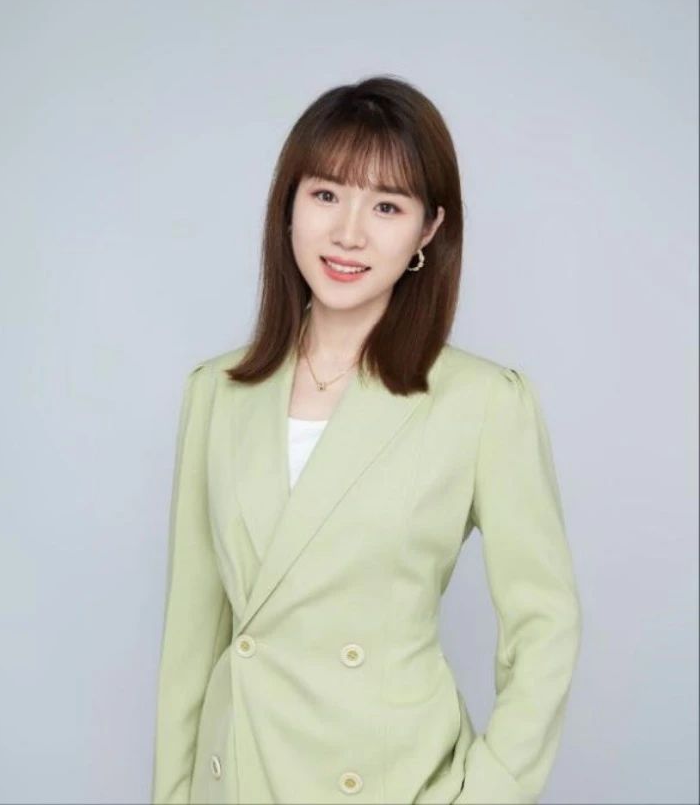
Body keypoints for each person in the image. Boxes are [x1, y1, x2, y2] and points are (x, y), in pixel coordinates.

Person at [150, 75, 582, 805]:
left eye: (387, 206)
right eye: (326, 194)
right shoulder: (217, 393)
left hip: (392, 782)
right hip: (239, 778)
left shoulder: (482, 403)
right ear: (288, 204)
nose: (348, 233)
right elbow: (190, 641)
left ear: (428, 230)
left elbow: (546, 625)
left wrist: (487, 794)